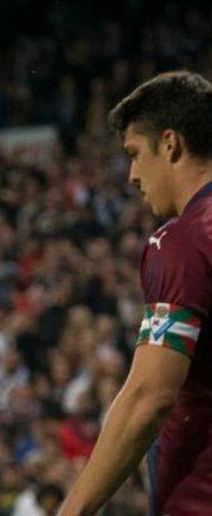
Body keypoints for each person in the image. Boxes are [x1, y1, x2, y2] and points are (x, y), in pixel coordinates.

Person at [61, 71, 212, 515]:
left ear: (170, 144)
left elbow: (150, 397)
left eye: (134, 154)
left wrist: (72, 511)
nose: (131, 175)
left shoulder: (184, 241)